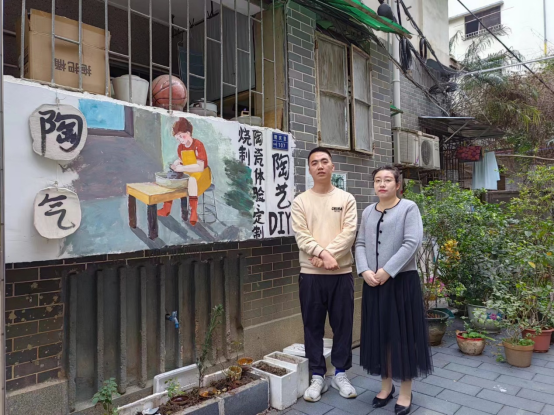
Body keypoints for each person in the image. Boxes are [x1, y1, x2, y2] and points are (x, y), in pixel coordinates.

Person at [355, 165, 432, 415]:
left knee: (403, 337)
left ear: (398, 185)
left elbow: (412, 242)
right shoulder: (368, 211)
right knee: (381, 335)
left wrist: (387, 271)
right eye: (378, 180)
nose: (382, 184)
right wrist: (364, 270)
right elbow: (360, 243)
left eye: (388, 180)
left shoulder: (408, 208)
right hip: (373, 284)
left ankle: (406, 392)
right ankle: (386, 386)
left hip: (401, 283)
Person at [291, 147, 358, 402]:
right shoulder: (300, 201)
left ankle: (340, 373)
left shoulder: (346, 198)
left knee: (343, 325)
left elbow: (349, 233)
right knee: (312, 327)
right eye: (314, 162)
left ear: (332, 167)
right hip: (311, 275)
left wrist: (326, 256)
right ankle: (317, 375)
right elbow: (302, 236)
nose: (320, 166)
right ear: (309, 169)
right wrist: (322, 255)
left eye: (324, 161)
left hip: (341, 274)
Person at [157, 117, 211, 226]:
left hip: (202, 174)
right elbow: (183, 160)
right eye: (178, 138)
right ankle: (166, 208)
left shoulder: (198, 145)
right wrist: (176, 163)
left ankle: (193, 212)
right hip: (189, 172)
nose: (181, 140)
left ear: (188, 133)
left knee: (191, 180)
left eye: (182, 136)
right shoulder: (180, 148)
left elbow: (200, 167)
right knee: (172, 179)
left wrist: (182, 168)